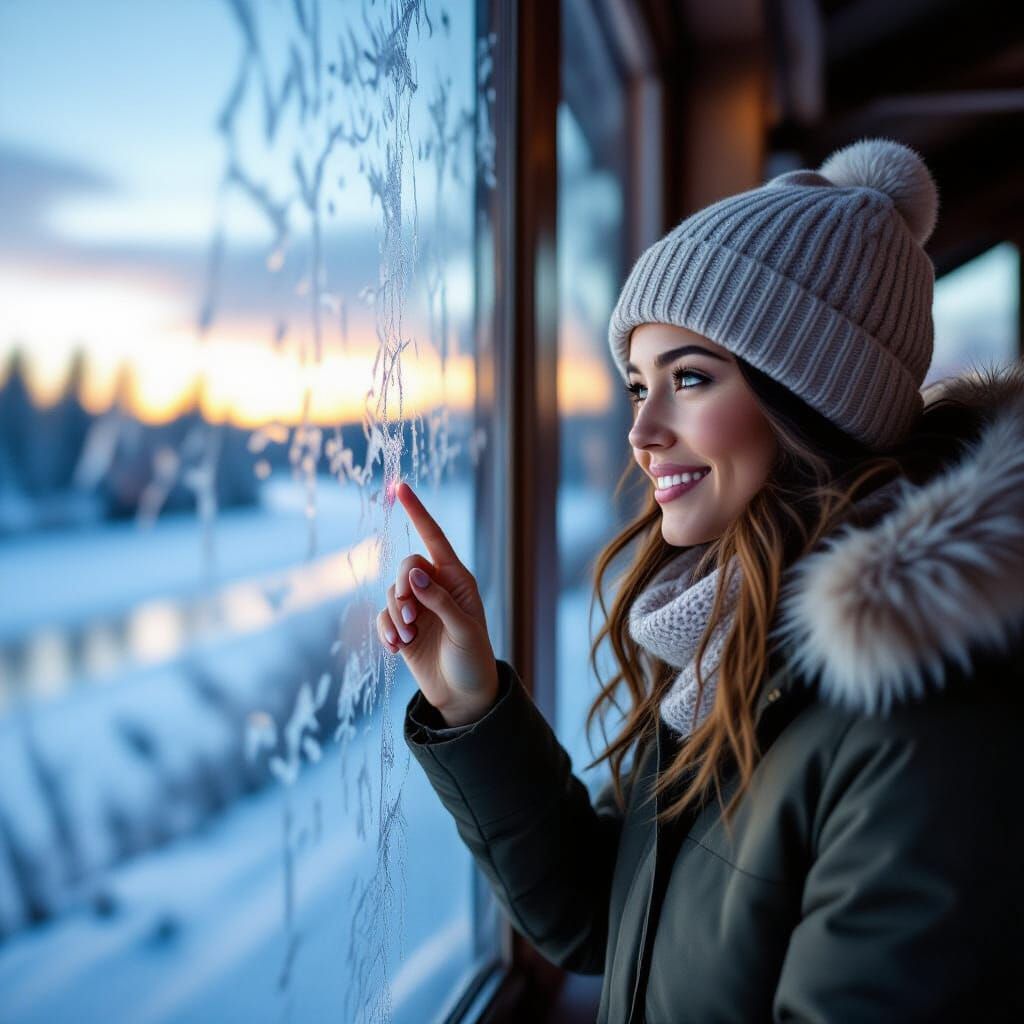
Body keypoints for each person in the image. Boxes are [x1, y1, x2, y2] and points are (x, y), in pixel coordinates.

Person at [378, 138, 1024, 1022]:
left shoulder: (924, 722)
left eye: (690, 378)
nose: (641, 429)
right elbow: (610, 917)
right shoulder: (734, 639)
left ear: (815, 398)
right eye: (638, 383)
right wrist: (472, 702)